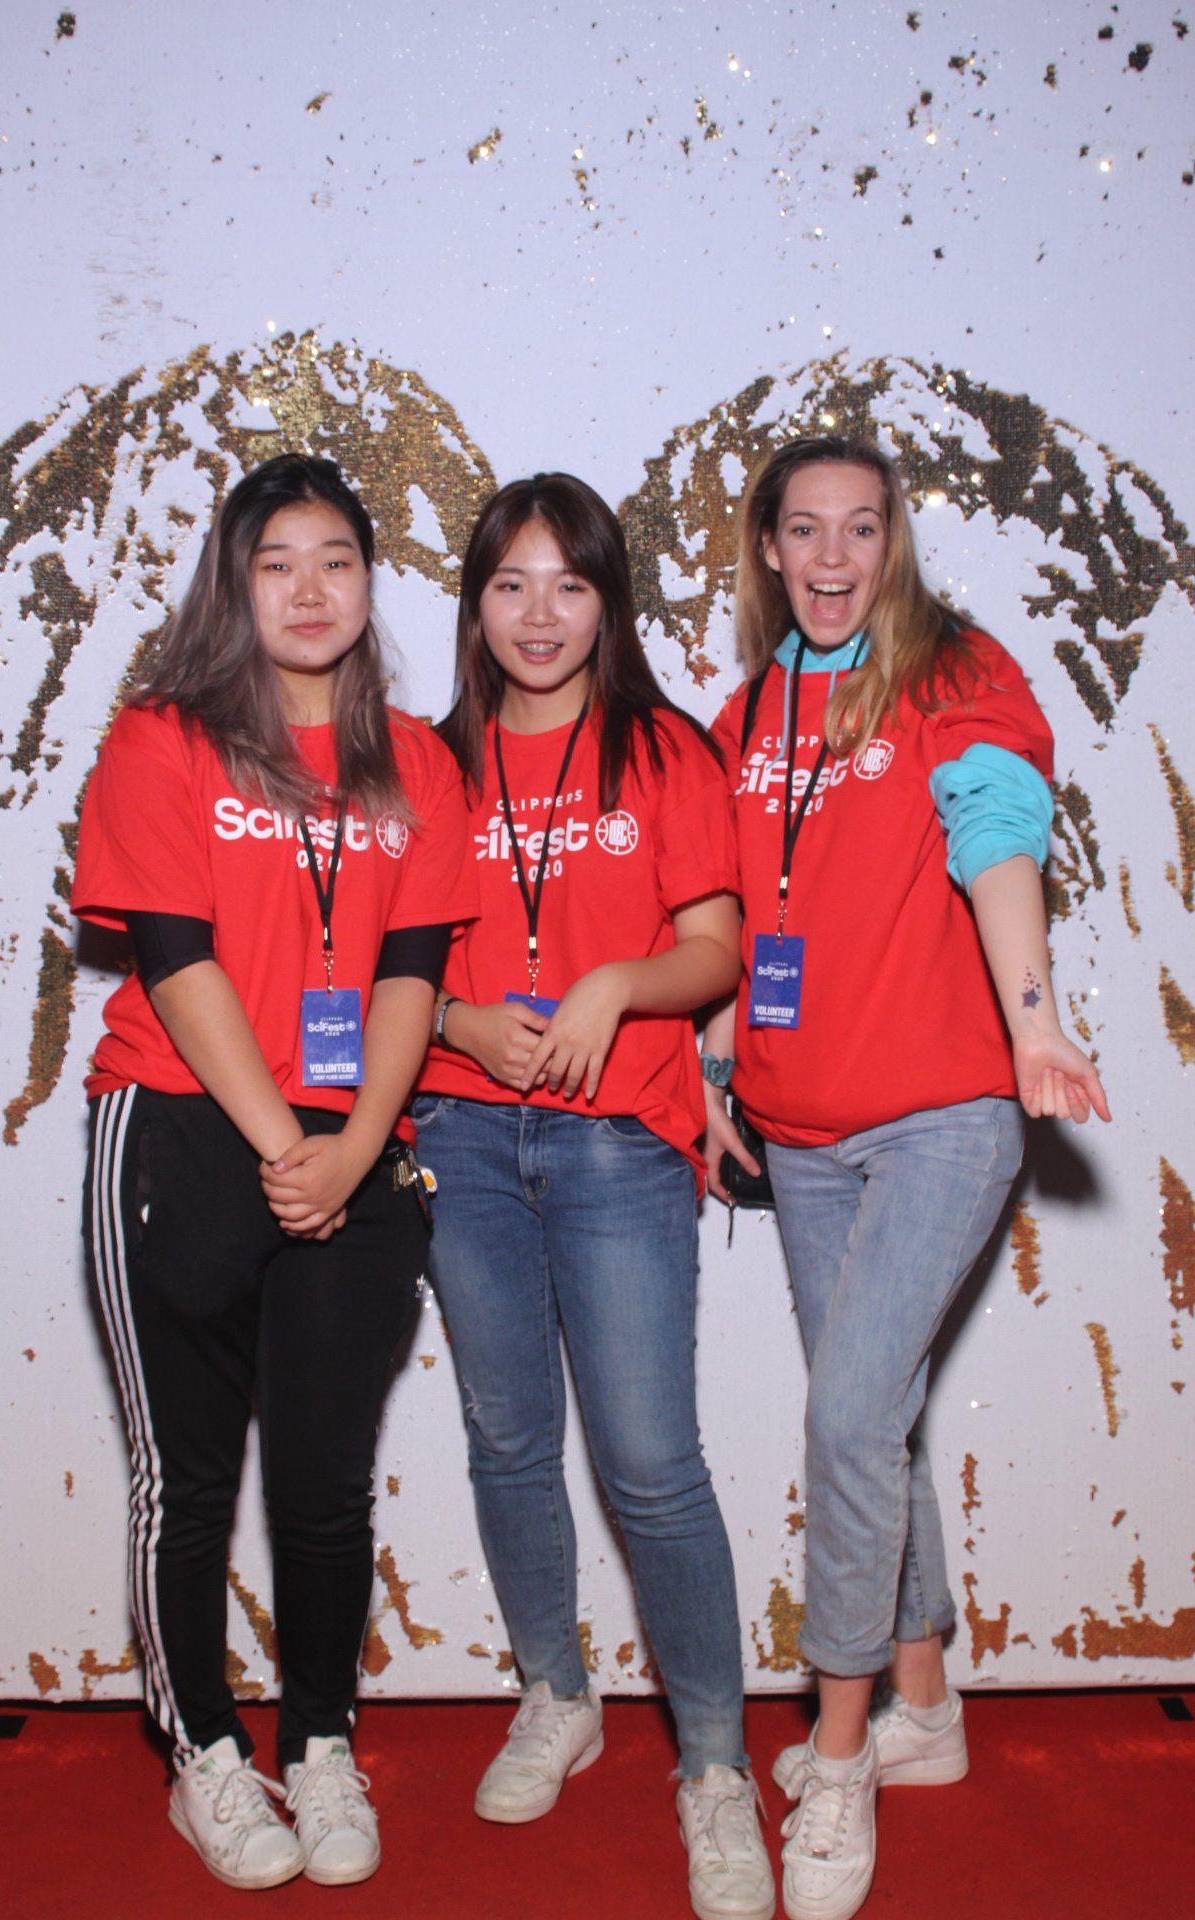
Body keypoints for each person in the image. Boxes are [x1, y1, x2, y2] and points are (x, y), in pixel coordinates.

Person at [703, 436, 1110, 1920]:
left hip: (942, 1113)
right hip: (799, 1131)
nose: (833, 557)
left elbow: (997, 833)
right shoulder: (748, 711)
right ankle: (926, 1704)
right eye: (805, 529)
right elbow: (742, 908)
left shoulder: (954, 672)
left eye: (861, 528)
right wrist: (716, 1072)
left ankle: (842, 1751)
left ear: (895, 542)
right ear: (767, 546)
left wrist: (1033, 1016)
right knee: (873, 1420)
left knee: (847, 1418)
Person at [73, 453, 474, 1891]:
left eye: (337, 561)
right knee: (185, 1480)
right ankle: (204, 1754)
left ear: (370, 584)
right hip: (186, 1125)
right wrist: (285, 1146)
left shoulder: (418, 762)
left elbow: (412, 974)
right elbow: (174, 962)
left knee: (323, 1482)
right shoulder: (164, 739)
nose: (310, 591)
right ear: (233, 585)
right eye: (276, 562)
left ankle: (319, 1739)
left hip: (356, 1142)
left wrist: (355, 1148)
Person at [414, 473, 775, 1920]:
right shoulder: (431, 761)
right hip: (463, 1139)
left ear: (607, 600)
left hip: (620, 1144)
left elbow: (717, 949)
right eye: (510, 583)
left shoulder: (662, 748)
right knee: (508, 1442)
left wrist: (618, 983)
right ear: (476, 606)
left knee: (650, 1462)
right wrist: (456, 1022)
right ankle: (555, 1694)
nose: (540, 613)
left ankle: (715, 1766)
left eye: (569, 582)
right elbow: (383, 968)